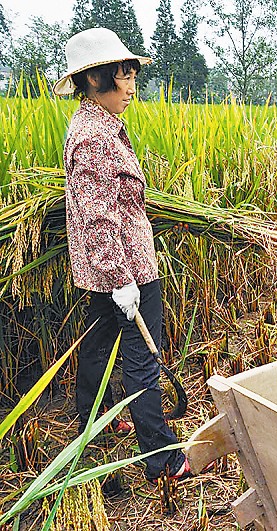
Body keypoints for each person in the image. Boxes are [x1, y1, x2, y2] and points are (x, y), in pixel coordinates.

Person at [54, 27, 190, 482]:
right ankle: (163, 458)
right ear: (94, 80)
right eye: (123, 75)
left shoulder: (97, 125)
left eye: (133, 75)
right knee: (141, 360)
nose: (132, 87)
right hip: (124, 270)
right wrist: (122, 279)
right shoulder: (94, 136)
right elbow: (97, 216)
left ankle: (93, 429)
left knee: (96, 350)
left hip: (102, 271)